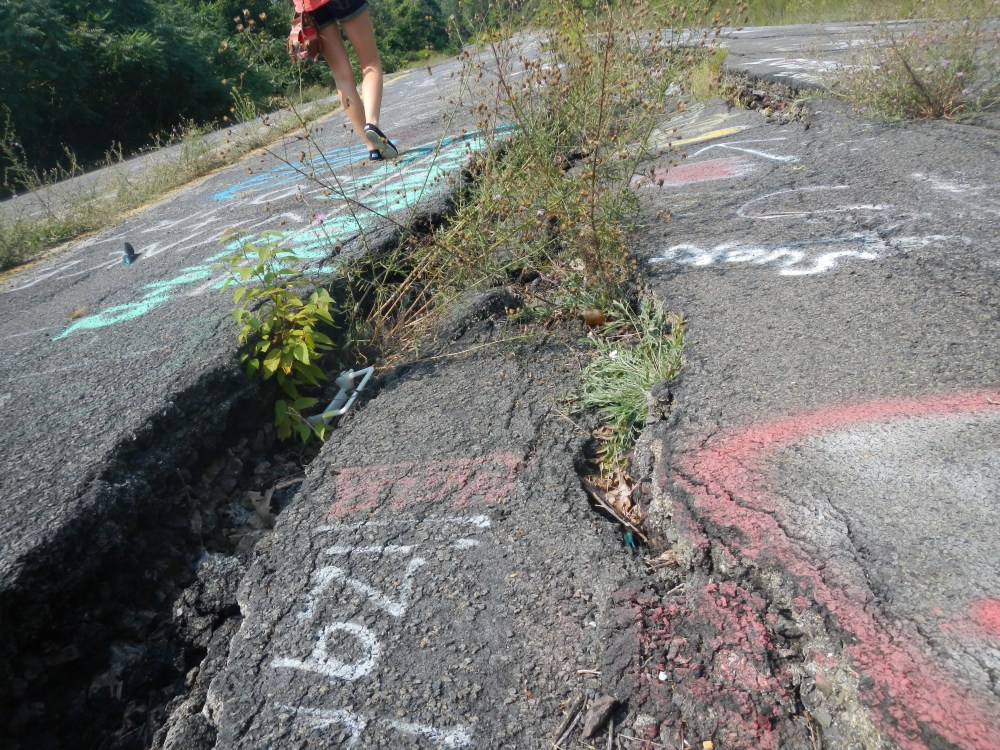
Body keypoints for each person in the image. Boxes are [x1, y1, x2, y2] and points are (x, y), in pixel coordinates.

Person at [294, 0, 399, 161]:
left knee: (341, 76)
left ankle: (372, 148)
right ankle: (372, 124)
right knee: (370, 63)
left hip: (310, 6)